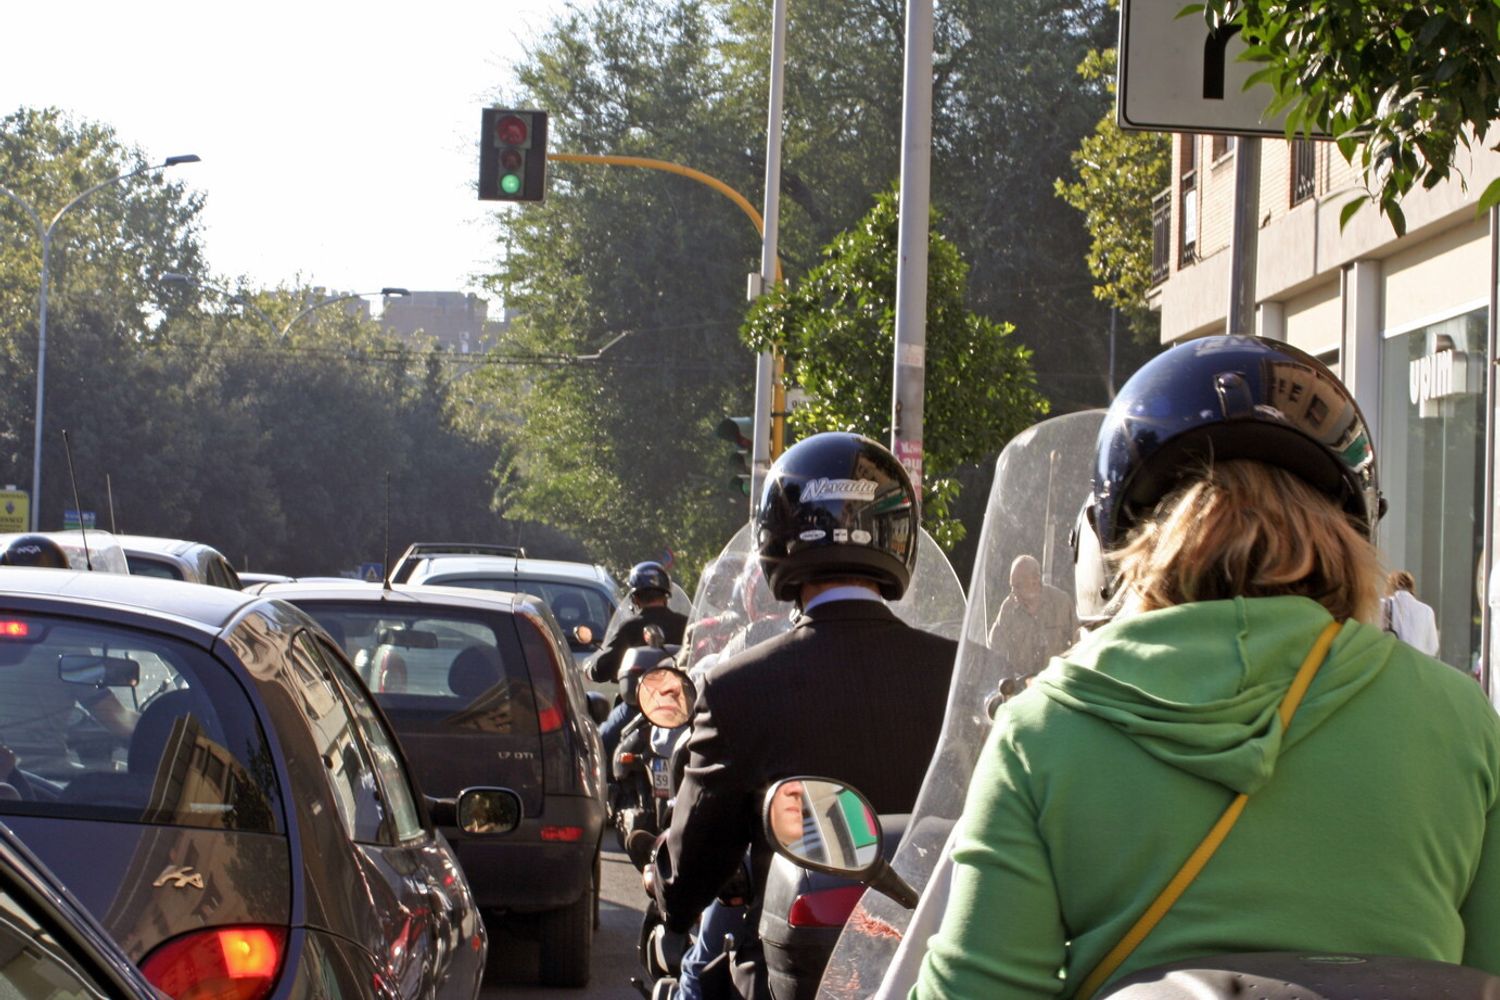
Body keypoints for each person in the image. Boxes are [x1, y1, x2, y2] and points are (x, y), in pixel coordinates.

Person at [913, 336, 1500, 998]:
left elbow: (975, 992)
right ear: (1355, 535)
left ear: (1113, 542)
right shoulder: (1461, 720)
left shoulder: (1039, 734)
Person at [650, 432, 958, 999]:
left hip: (794, 977)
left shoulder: (737, 687)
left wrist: (668, 885)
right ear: (897, 538)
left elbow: (689, 877)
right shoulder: (964, 676)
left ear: (778, 538)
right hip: (941, 968)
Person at [591, 561, 690, 763]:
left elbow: (601, 669)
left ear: (635, 598)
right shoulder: (685, 625)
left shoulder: (630, 627)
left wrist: (590, 668)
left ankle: (607, 791)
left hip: (637, 708)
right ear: (666, 596)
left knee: (598, 747)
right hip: (678, 708)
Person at [986, 553, 1078, 678]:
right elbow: (994, 649)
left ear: (1035, 581)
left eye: (1018, 586)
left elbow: (1079, 643)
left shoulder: (1061, 603)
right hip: (1024, 686)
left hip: (1057, 682)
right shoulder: (1008, 608)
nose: (1013, 592)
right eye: (1012, 586)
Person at [1384, 569, 1440, 657]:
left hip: (1391, 661)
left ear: (1391, 586)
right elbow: (1433, 647)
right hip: (1417, 663)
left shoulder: (1383, 606)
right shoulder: (1427, 611)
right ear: (1412, 587)